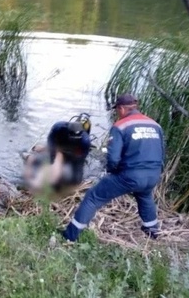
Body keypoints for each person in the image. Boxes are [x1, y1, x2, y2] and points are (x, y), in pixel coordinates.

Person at [62, 94, 164, 241]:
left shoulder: (120, 126)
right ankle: (153, 231)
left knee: (93, 197)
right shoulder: (155, 125)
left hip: (130, 176)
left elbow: (113, 158)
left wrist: (112, 171)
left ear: (121, 108)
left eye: (116, 110)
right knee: (144, 196)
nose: (117, 113)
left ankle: (70, 236)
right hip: (153, 175)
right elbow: (162, 151)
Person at [23, 114, 92, 191]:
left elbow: (80, 160)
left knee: (76, 180)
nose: (74, 140)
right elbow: (51, 142)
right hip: (59, 144)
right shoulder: (58, 127)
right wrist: (53, 157)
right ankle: (30, 157)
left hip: (74, 151)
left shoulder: (85, 141)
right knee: (47, 161)